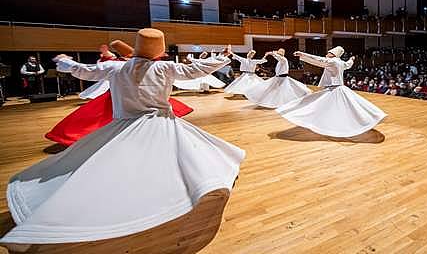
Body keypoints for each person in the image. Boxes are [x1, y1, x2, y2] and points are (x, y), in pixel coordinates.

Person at [1, 28, 245, 245]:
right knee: (181, 160)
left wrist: (65, 62)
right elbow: (195, 70)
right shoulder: (165, 67)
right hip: (159, 123)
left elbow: (85, 71)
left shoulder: (116, 67)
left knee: (102, 168)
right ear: (159, 49)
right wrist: (223, 57)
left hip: (125, 125)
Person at [44, 40, 194, 147]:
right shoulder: (122, 64)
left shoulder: (131, 64)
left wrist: (67, 62)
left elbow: (86, 70)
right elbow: (88, 69)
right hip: (127, 99)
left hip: (137, 100)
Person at [277, 46, 386, 137]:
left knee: (311, 102)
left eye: (329, 52)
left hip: (334, 89)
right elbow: (348, 64)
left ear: (333, 54)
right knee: (349, 107)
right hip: (337, 88)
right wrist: (352, 59)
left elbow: (318, 60)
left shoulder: (333, 61)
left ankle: (327, 124)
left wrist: (303, 55)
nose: (327, 53)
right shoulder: (340, 62)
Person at [245, 48, 311, 108]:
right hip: (278, 78)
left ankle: (282, 103)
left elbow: (279, 57)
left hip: (283, 79)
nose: (278, 55)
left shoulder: (284, 59)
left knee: (284, 92)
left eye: (279, 54)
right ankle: (266, 101)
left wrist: (272, 53)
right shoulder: (280, 61)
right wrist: (272, 54)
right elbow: (278, 58)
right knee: (270, 90)